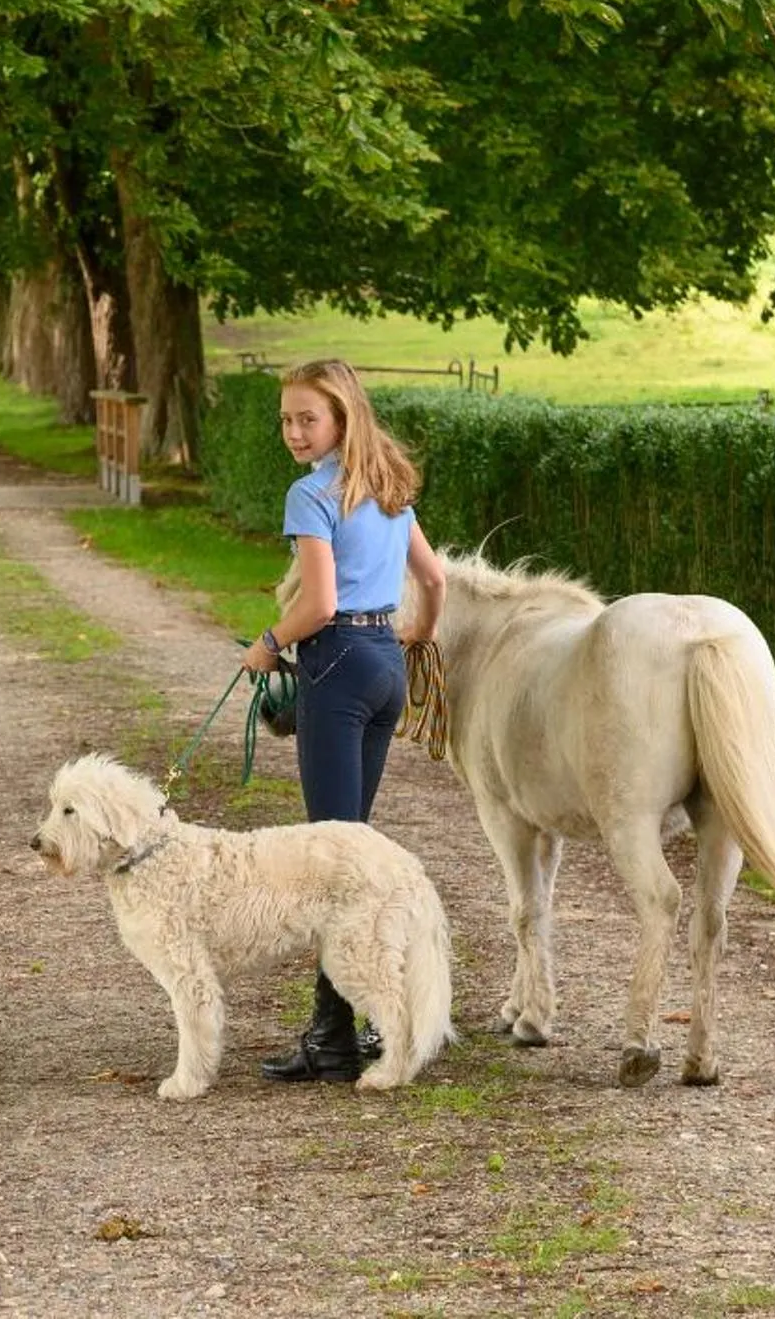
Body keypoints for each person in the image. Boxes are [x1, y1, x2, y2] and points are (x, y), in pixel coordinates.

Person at [238, 358, 448, 1083]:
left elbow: (318, 604)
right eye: (287, 419)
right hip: (386, 659)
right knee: (352, 851)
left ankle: (335, 1034)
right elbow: (434, 579)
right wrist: (417, 638)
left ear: (341, 419)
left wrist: (268, 644)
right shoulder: (388, 487)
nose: (294, 432)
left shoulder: (311, 494)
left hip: (334, 663)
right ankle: (349, 1024)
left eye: (308, 418)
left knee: (334, 863)